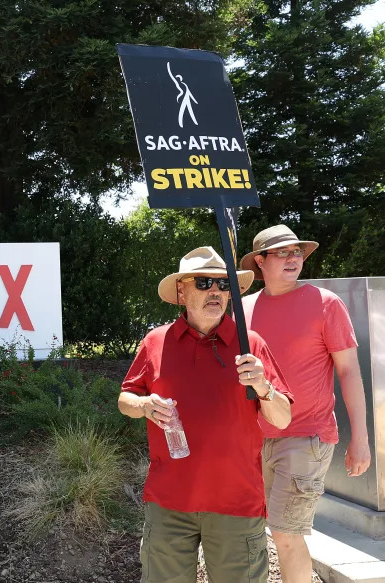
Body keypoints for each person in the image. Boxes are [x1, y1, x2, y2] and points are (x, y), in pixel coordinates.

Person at [119, 246, 293, 583]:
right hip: (169, 502)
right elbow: (126, 398)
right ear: (181, 291)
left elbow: (282, 418)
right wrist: (143, 406)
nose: (215, 291)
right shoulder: (157, 341)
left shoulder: (250, 344)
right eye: (203, 283)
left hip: (236, 502)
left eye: (223, 284)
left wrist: (263, 387)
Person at [240, 225, 371, 583]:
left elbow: (349, 373)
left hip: (306, 436)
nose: (293, 258)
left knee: (285, 532)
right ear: (260, 261)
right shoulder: (244, 309)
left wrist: (359, 438)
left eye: (297, 251)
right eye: (283, 252)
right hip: (252, 439)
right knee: (263, 532)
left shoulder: (326, 303)